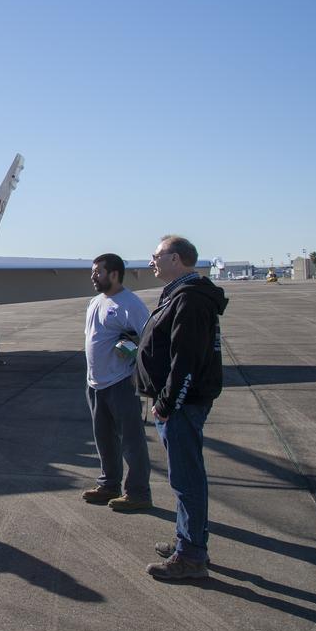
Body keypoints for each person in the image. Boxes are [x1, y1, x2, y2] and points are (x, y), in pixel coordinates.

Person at [136, 235, 228, 580]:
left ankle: (191, 557)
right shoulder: (184, 295)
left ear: (176, 259)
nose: (151, 262)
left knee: (186, 480)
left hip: (181, 405)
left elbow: (185, 361)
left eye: (157, 255)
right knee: (185, 478)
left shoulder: (189, 300)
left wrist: (166, 403)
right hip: (181, 402)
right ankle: (188, 541)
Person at [82, 253, 152, 511]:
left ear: (114, 274)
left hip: (121, 381)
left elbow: (148, 338)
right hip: (96, 383)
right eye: (93, 272)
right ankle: (108, 484)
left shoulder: (129, 303)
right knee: (104, 437)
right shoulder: (95, 301)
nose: (93, 276)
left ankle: (138, 492)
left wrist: (130, 346)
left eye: (98, 272)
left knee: (131, 440)